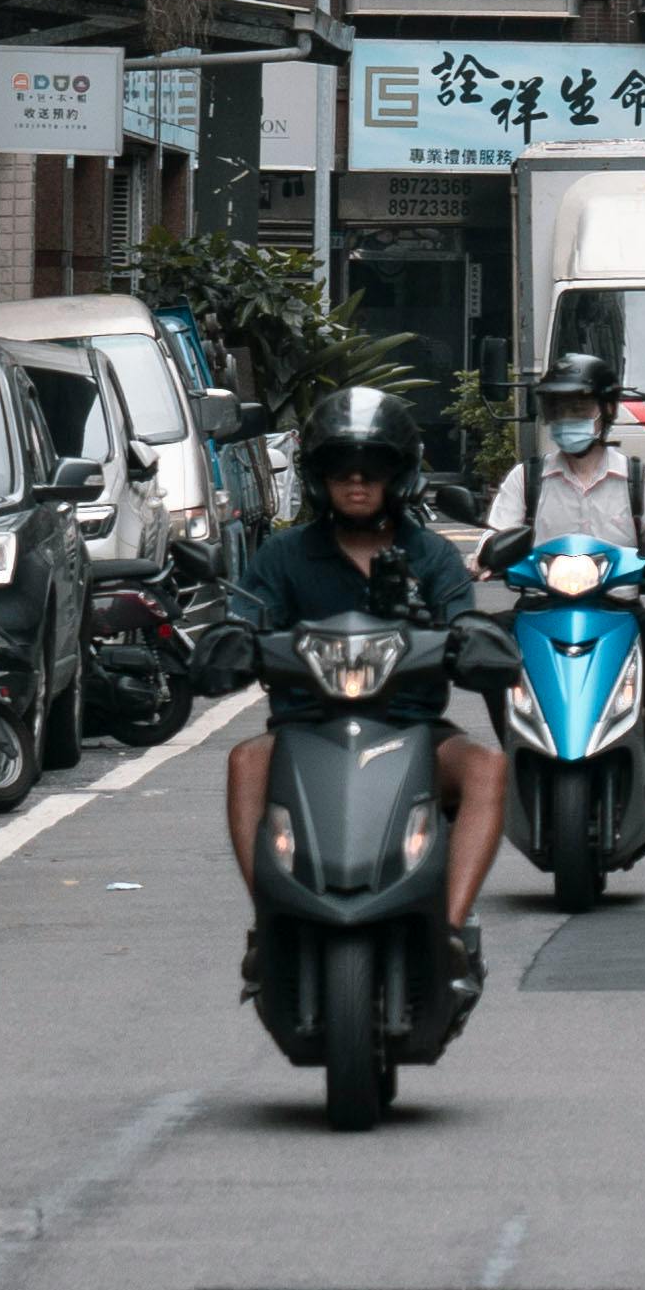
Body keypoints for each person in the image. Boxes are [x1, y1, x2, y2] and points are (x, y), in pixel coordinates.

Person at [223, 386, 507, 984]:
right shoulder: (282, 556)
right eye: (340, 469)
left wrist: (471, 641)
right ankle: (267, 925)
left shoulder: (431, 557)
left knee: (486, 768)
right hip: (304, 731)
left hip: (414, 728)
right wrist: (227, 642)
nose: (356, 482)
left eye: (372, 469)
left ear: (398, 476)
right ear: (318, 478)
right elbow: (244, 615)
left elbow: (464, 618)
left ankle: (449, 931)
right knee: (245, 762)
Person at [481, 347, 645, 780]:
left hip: (616, 608)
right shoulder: (528, 477)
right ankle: (514, 746)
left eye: (579, 408)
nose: (567, 419)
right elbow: (495, 533)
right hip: (540, 606)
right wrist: (483, 555)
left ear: (607, 411)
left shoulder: (638, 480)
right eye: (558, 409)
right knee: (485, 639)